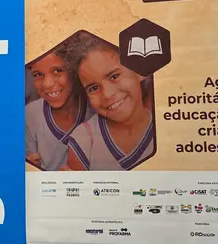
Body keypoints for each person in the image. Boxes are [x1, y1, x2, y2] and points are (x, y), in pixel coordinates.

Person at [65, 36, 154, 171]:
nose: (107, 94)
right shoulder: (83, 140)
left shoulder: (167, 128)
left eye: (114, 76)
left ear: (139, 71)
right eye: (93, 88)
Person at [25, 37, 93, 171]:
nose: (47, 84)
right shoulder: (30, 114)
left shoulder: (95, 109)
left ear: (75, 70)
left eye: (57, 71)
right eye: (38, 74)